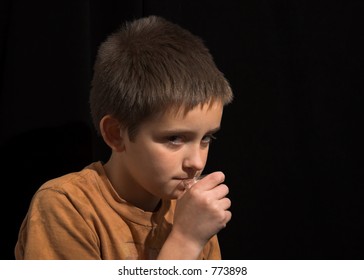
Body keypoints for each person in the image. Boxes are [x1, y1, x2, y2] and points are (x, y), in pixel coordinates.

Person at [15, 15, 233, 260]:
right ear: (116, 134)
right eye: (174, 138)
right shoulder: (67, 206)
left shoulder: (192, 213)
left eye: (207, 139)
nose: (197, 162)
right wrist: (185, 241)